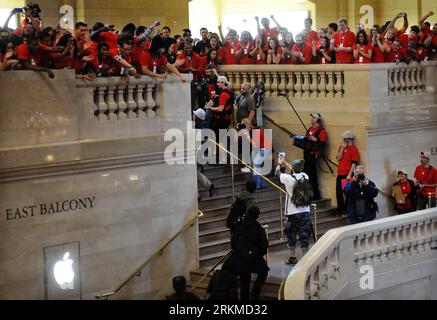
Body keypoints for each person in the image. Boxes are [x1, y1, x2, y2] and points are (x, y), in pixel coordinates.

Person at [276, 157, 312, 265]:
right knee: (304, 234)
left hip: (292, 213)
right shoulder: (305, 176)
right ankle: (305, 258)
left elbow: (277, 173)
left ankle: (293, 257)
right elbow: (295, 169)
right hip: (305, 211)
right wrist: (286, 162)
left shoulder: (288, 178)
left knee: (291, 234)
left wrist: (279, 163)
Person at [229, 206, 269, 300]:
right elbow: (264, 246)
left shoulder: (239, 226)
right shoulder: (259, 228)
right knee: (263, 272)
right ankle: (255, 294)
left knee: (244, 280)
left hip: (240, 258)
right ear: (257, 216)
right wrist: (257, 254)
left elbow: (233, 243)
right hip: (255, 258)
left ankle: (244, 298)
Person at [237, 119, 272, 190]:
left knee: (256, 165)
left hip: (265, 148)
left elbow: (255, 145)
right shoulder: (248, 131)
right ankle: (262, 184)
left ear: (247, 124)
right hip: (261, 148)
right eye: (241, 124)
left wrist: (247, 136)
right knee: (257, 166)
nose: (242, 126)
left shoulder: (255, 131)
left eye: (243, 124)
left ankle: (257, 185)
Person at [303, 113, 327, 200]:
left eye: (313, 118)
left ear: (317, 119)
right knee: (306, 174)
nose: (311, 119)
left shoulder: (321, 130)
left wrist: (315, 140)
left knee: (312, 175)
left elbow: (323, 145)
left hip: (313, 155)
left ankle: (316, 194)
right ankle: (308, 193)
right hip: (306, 153)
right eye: (311, 117)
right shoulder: (310, 129)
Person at [336, 130, 360, 216]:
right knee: (339, 192)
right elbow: (338, 158)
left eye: (344, 138)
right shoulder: (342, 146)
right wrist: (342, 148)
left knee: (347, 193)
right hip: (340, 173)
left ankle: (346, 210)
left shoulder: (354, 149)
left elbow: (354, 163)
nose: (343, 139)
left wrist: (350, 174)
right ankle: (340, 209)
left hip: (347, 174)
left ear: (349, 139)